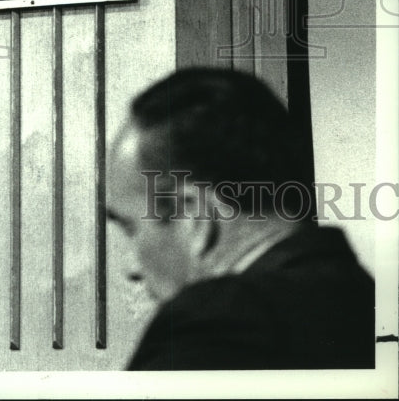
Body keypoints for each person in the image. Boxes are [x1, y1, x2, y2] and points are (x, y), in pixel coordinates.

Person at [107, 67, 375, 370]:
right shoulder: (363, 300)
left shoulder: (215, 327)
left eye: (130, 228)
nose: (131, 268)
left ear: (191, 213)